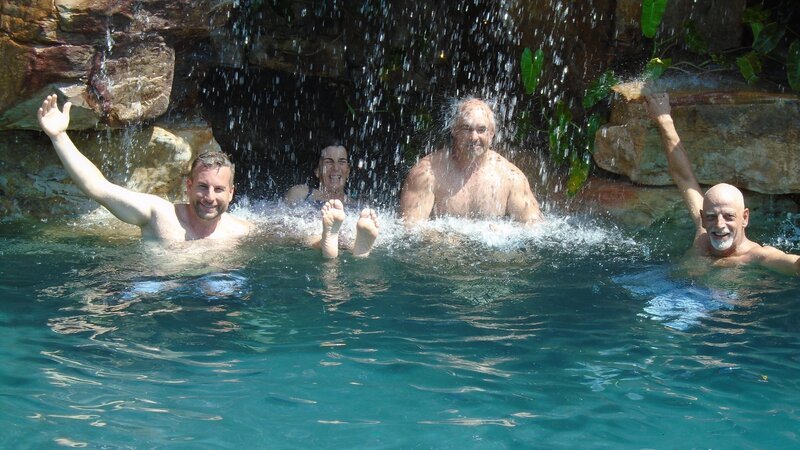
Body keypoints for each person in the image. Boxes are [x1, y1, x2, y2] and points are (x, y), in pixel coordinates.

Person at [37, 94, 253, 242]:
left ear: (231, 193)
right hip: (153, 293)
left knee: (224, 293)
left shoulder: (240, 232)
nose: (209, 197)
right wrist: (58, 136)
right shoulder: (158, 215)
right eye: (203, 186)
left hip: (210, 296)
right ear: (188, 186)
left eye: (218, 189)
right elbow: (97, 187)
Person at [645, 92, 800, 275]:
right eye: (711, 216)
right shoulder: (703, 235)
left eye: (729, 216)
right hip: (677, 296)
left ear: (745, 218)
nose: (719, 224)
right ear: (702, 217)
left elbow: (794, 265)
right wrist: (664, 120)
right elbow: (684, 177)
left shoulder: (757, 256)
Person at [399, 97, 543, 227]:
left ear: (492, 133)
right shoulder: (427, 174)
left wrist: (506, 233)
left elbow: (535, 228)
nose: (474, 137)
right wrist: (438, 238)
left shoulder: (510, 177)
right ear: (454, 130)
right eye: (467, 129)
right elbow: (409, 229)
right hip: (442, 254)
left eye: (481, 130)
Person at [284, 142, 379, 258]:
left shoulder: (358, 207)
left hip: (336, 238)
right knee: (294, 229)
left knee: (350, 233)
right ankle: (331, 241)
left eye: (342, 162)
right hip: (310, 237)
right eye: (329, 161)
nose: (335, 168)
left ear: (348, 171)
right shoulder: (301, 192)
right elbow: (281, 225)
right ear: (317, 171)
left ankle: (354, 246)